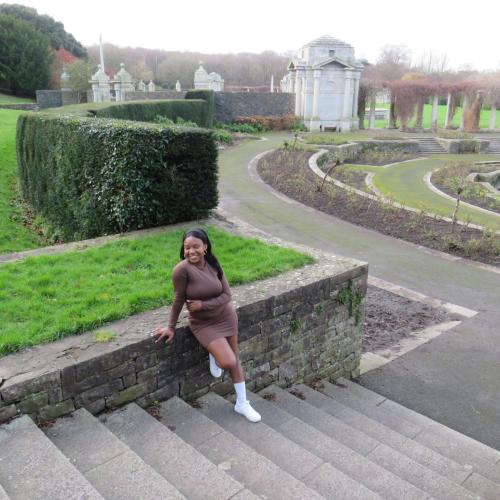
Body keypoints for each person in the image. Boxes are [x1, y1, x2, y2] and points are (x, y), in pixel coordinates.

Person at [152, 228, 261, 423]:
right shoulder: (181, 270)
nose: (190, 251)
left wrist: (203, 304)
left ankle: (242, 403)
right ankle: (215, 351)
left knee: (234, 359)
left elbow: (227, 296)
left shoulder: (214, 264)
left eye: (195, 247)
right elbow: (178, 299)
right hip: (203, 323)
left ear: (205, 248)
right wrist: (170, 327)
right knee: (227, 361)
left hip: (226, 317)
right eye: (186, 247)